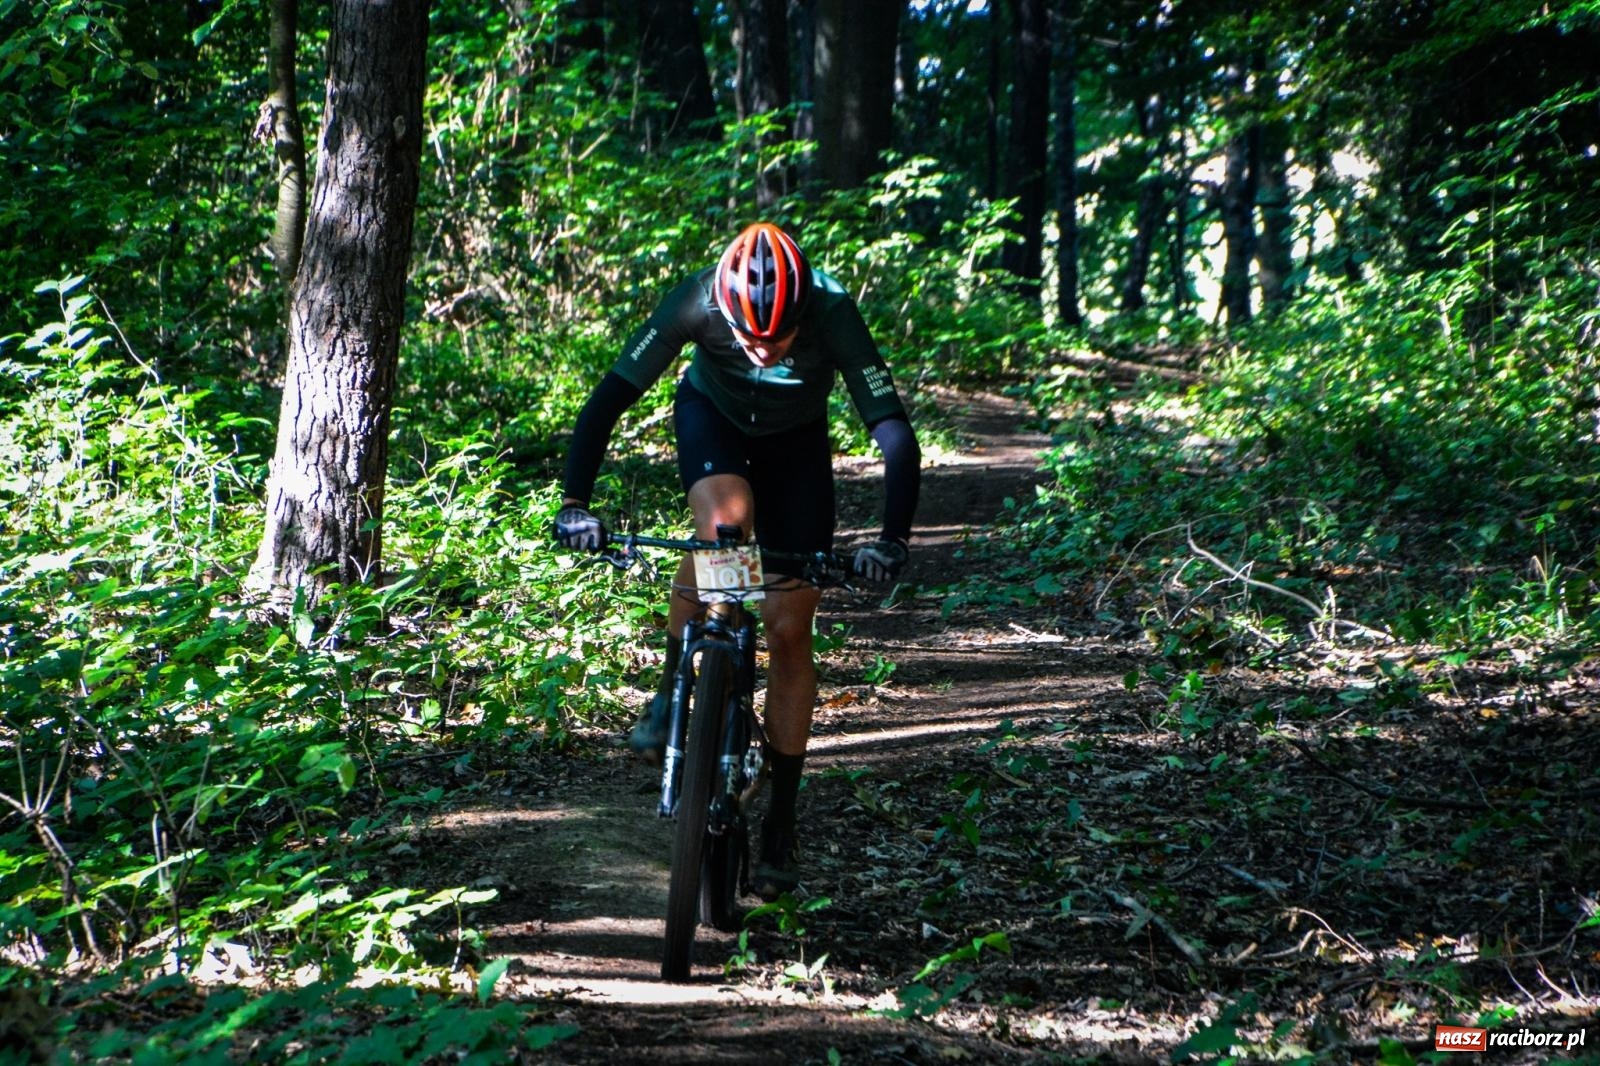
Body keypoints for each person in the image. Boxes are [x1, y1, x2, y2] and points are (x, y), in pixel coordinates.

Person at [554, 222, 921, 899]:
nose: (759, 351)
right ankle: (671, 690)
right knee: (726, 525)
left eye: (775, 340)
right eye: (747, 338)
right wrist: (576, 501)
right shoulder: (695, 300)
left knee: (788, 628)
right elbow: (609, 398)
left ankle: (781, 815)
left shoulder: (833, 311)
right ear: (723, 308)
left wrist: (892, 539)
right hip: (713, 418)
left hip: (797, 445)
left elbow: (894, 431)